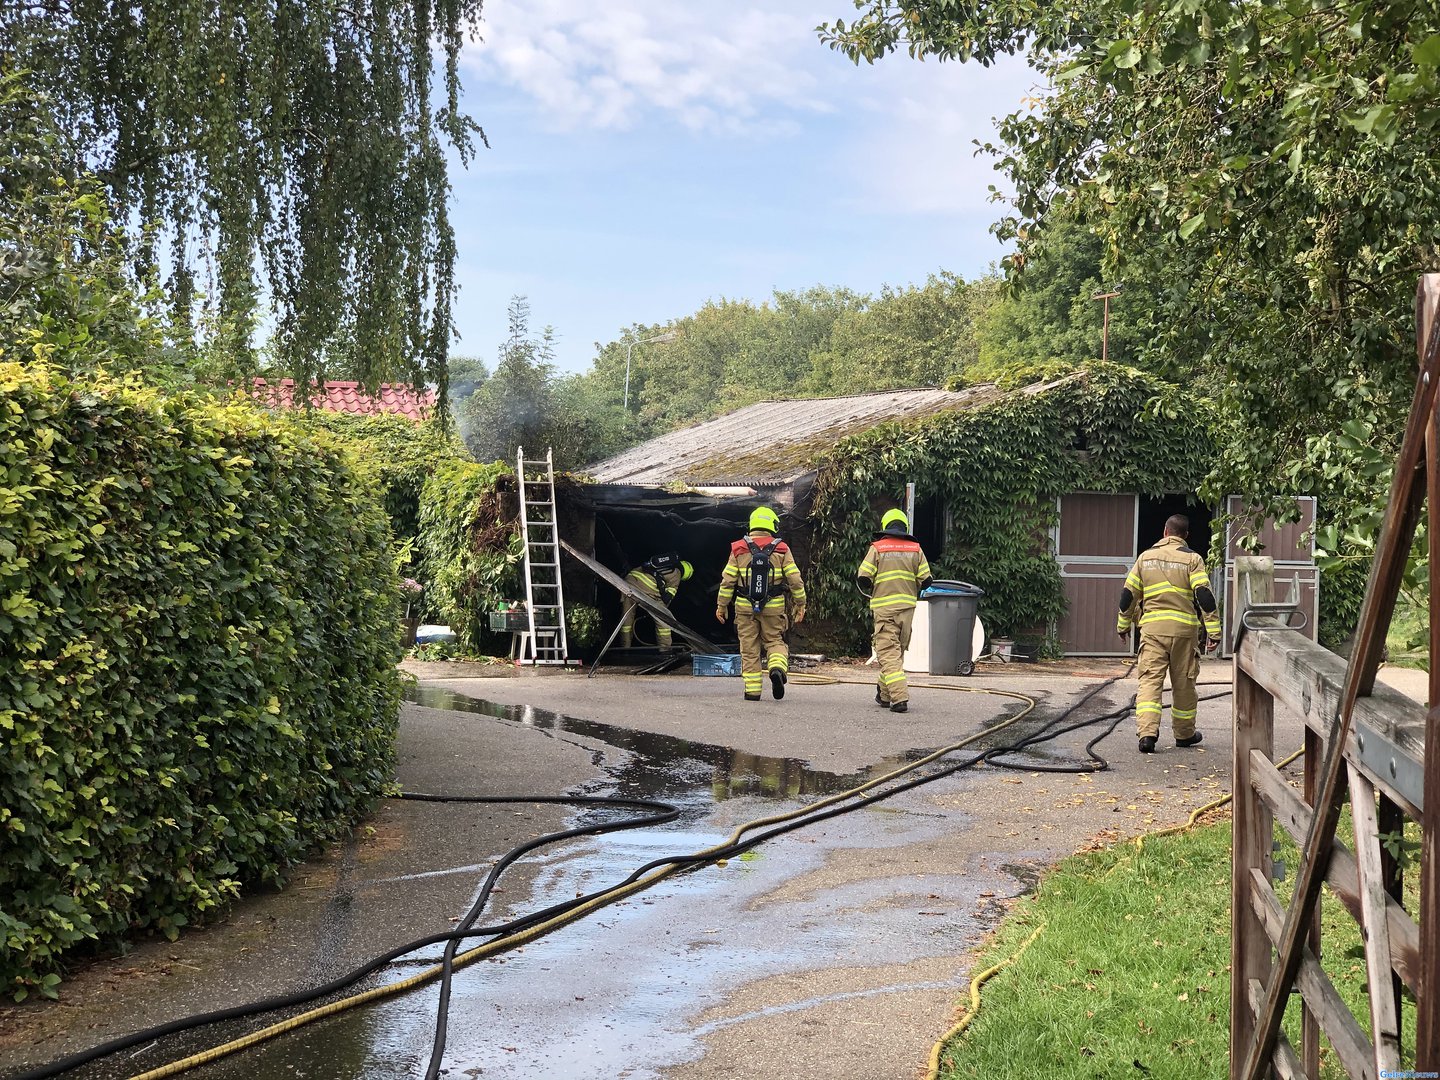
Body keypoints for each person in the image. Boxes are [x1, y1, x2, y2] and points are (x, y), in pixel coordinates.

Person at [1117, 514, 1221, 753]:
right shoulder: (1193, 559)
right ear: (1185, 536)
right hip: (1184, 632)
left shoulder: (1145, 558)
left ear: (1165, 532)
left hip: (1153, 631)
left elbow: (1128, 595)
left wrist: (1123, 626)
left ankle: (1147, 735)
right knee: (1184, 684)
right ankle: (1184, 735)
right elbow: (1204, 595)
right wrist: (1214, 632)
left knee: (1150, 682)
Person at [716, 507, 807, 701]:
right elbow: (795, 579)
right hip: (773, 607)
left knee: (749, 648)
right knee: (774, 641)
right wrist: (800, 603)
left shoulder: (738, 548)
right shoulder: (782, 549)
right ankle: (776, 668)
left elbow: (727, 581)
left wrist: (721, 605)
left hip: (744, 607)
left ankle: (753, 691)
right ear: (772, 524)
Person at [856, 508, 933, 713]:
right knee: (895, 653)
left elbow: (863, 577)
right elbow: (926, 581)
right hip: (907, 610)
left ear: (885, 526)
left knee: (888, 653)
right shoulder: (916, 549)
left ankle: (899, 698)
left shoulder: (878, 548)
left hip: (884, 609)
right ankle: (884, 694)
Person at [620, 555, 693, 650]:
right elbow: (667, 598)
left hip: (628, 581)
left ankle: (624, 649)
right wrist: (658, 610)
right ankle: (665, 650)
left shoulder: (660, 564)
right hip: (646, 587)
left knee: (626, 621)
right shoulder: (677, 572)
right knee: (663, 618)